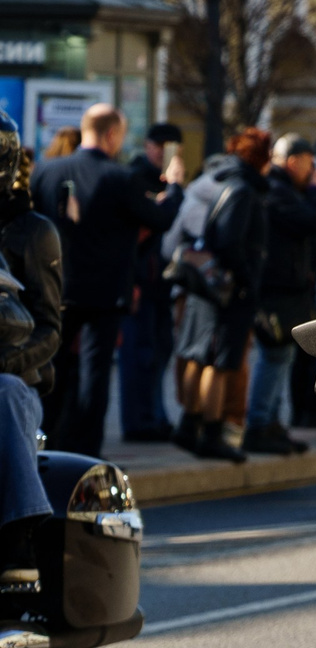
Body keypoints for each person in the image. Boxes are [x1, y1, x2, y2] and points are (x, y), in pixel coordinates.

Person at [32, 104, 186, 456]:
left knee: (52, 370)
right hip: (105, 293)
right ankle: (86, 452)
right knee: (94, 374)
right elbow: (160, 219)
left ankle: (43, 444)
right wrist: (175, 187)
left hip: (55, 289)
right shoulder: (119, 177)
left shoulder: (46, 170)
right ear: (112, 134)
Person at [171, 129, 272, 462]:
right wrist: (246, 279)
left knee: (197, 355)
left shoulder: (220, 180)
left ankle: (189, 425)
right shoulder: (243, 189)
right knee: (218, 361)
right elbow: (230, 241)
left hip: (208, 285)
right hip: (228, 290)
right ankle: (210, 432)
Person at [0, 109, 59, 560]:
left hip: (17, 380)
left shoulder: (32, 231)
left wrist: (6, 360)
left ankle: (19, 538)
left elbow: (49, 327)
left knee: (4, 391)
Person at [245, 134, 316, 455]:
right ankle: (259, 424)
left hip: (286, 288)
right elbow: (309, 221)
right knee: (274, 356)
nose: (312, 171)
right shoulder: (276, 189)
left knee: (282, 357)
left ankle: (271, 423)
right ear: (293, 161)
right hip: (275, 290)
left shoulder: (284, 188)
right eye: (308, 163)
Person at [118, 122, 188, 442]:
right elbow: (156, 222)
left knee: (160, 350)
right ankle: (139, 421)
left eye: (171, 148)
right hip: (140, 281)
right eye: (159, 146)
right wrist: (173, 190)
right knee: (140, 354)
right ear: (147, 146)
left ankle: (155, 416)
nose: (164, 153)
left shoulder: (166, 182)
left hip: (161, 282)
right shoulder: (135, 177)